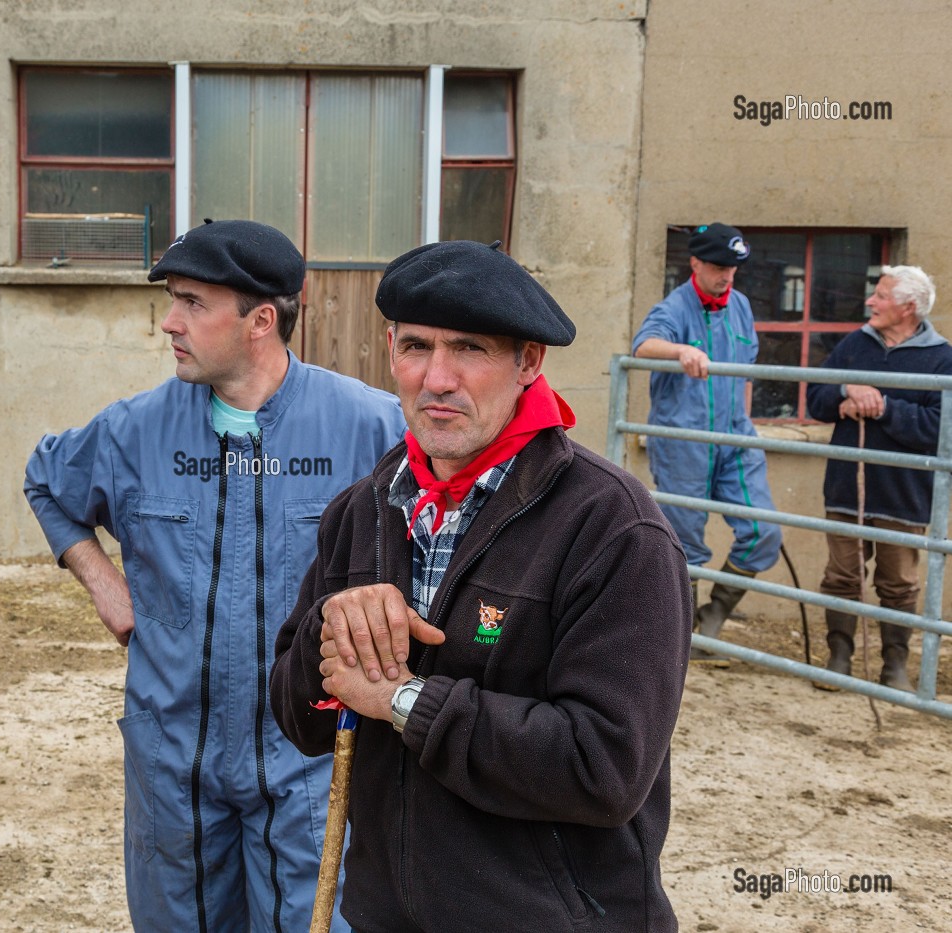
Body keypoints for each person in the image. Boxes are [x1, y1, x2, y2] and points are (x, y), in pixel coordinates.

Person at [271, 240, 691, 932]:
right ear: (390, 350)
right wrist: (328, 630)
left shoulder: (614, 529)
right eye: (415, 347)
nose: (436, 378)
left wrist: (404, 698)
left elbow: (605, 764)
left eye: (469, 349)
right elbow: (302, 720)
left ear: (529, 362)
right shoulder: (362, 509)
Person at [25, 219, 404, 933]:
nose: (171, 322)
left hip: (310, 764)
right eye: (173, 299)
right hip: (173, 766)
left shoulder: (369, 428)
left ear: (261, 319)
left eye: (194, 303)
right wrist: (105, 583)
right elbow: (47, 481)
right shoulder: (134, 430)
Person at [632, 223, 782, 661]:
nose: (727, 276)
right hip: (685, 439)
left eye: (733, 268)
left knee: (762, 531)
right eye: (719, 267)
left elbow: (747, 368)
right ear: (695, 263)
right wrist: (680, 351)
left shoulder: (741, 306)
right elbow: (644, 346)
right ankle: (688, 634)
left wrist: (746, 420)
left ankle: (716, 611)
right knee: (686, 543)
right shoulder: (675, 306)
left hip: (735, 435)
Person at [806, 265, 952, 692]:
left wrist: (883, 407)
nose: (871, 302)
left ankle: (894, 667)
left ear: (908, 308)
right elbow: (816, 397)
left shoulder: (942, 358)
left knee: (899, 582)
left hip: (904, 492)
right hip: (846, 484)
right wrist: (845, 393)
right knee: (841, 576)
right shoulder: (856, 344)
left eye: (882, 296)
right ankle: (838, 660)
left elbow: (940, 430)